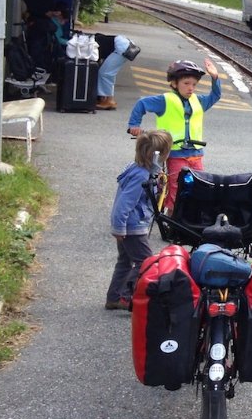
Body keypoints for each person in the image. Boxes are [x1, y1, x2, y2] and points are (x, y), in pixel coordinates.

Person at [126, 57, 223, 212]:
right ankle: (172, 218)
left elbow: (215, 96)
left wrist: (215, 77)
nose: (191, 88)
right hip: (175, 153)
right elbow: (142, 104)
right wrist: (134, 125)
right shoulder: (165, 100)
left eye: (194, 84)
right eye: (186, 83)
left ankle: (188, 216)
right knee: (176, 186)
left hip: (196, 153)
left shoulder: (198, 101)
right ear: (174, 83)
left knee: (198, 185)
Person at [105, 130, 173, 311]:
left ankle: (114, 297)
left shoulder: (138, 169)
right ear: (157, 156)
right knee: (146, 262)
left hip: (131, 226)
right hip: (132, 227)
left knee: (125, 261)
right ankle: (127, 297)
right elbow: (124, 204)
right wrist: (119, 228)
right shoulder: (141, 177)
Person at [22, 0, 56, 71]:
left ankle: (41, 68)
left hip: (43, 25)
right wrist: (45, 13)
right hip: (36, 24)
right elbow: (30, 6)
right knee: (36, 49)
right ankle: (37, 69)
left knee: (44, 49)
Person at [95, 35, 137, 110]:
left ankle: (109, 101)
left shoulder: (94, 45)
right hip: (126, 45)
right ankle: (106, 98)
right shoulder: (98, 39)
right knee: (107, 72)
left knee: (105, 74)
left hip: (121, 48)